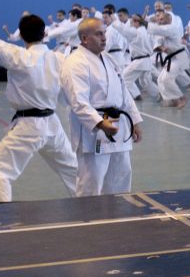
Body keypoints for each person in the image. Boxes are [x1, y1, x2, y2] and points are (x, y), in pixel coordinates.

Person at [0, 16, 79, 204]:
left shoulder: (19, 56)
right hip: (52, 123)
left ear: (20, 35)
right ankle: (93, 204)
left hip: (29, 125)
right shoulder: (59, 58)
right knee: (72, 169)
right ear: (45, 34)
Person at [60, 18, 143, 196]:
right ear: (84, 38)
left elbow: (123, 92)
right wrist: (100, 123)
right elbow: (78, 102)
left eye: (104, 33)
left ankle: (118, 217)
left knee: (121, 176)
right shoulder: (75, 62)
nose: (104, 38)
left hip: (118, 126)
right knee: (92, 180)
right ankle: (88, 220)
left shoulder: (108, 59)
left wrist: (135, 120)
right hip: (94, 132)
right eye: (98, 34)